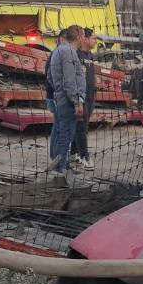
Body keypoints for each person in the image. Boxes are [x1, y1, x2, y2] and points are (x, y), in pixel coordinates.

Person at [46, 25, 86, 177]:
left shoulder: (57, 51)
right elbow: (70, 80)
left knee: (64, 134)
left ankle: (61, 166)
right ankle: (61, 169)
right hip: (69, 102)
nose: (84, 39)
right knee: (66, 135)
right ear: (78, 36)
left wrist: (58, 91)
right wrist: (77, 101)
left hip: (62, 98)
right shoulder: (69, 52)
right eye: (83, 36)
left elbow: (49, 76)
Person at [69, 28, 97, 171]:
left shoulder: (90, 55)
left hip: (90, 96)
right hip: (80, 97)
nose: (96, 41)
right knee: (81, 127)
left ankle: (74, 153)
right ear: (84, 39)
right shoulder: (76, 54)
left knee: (82, 126)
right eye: (93, 38)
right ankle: (84, 156)